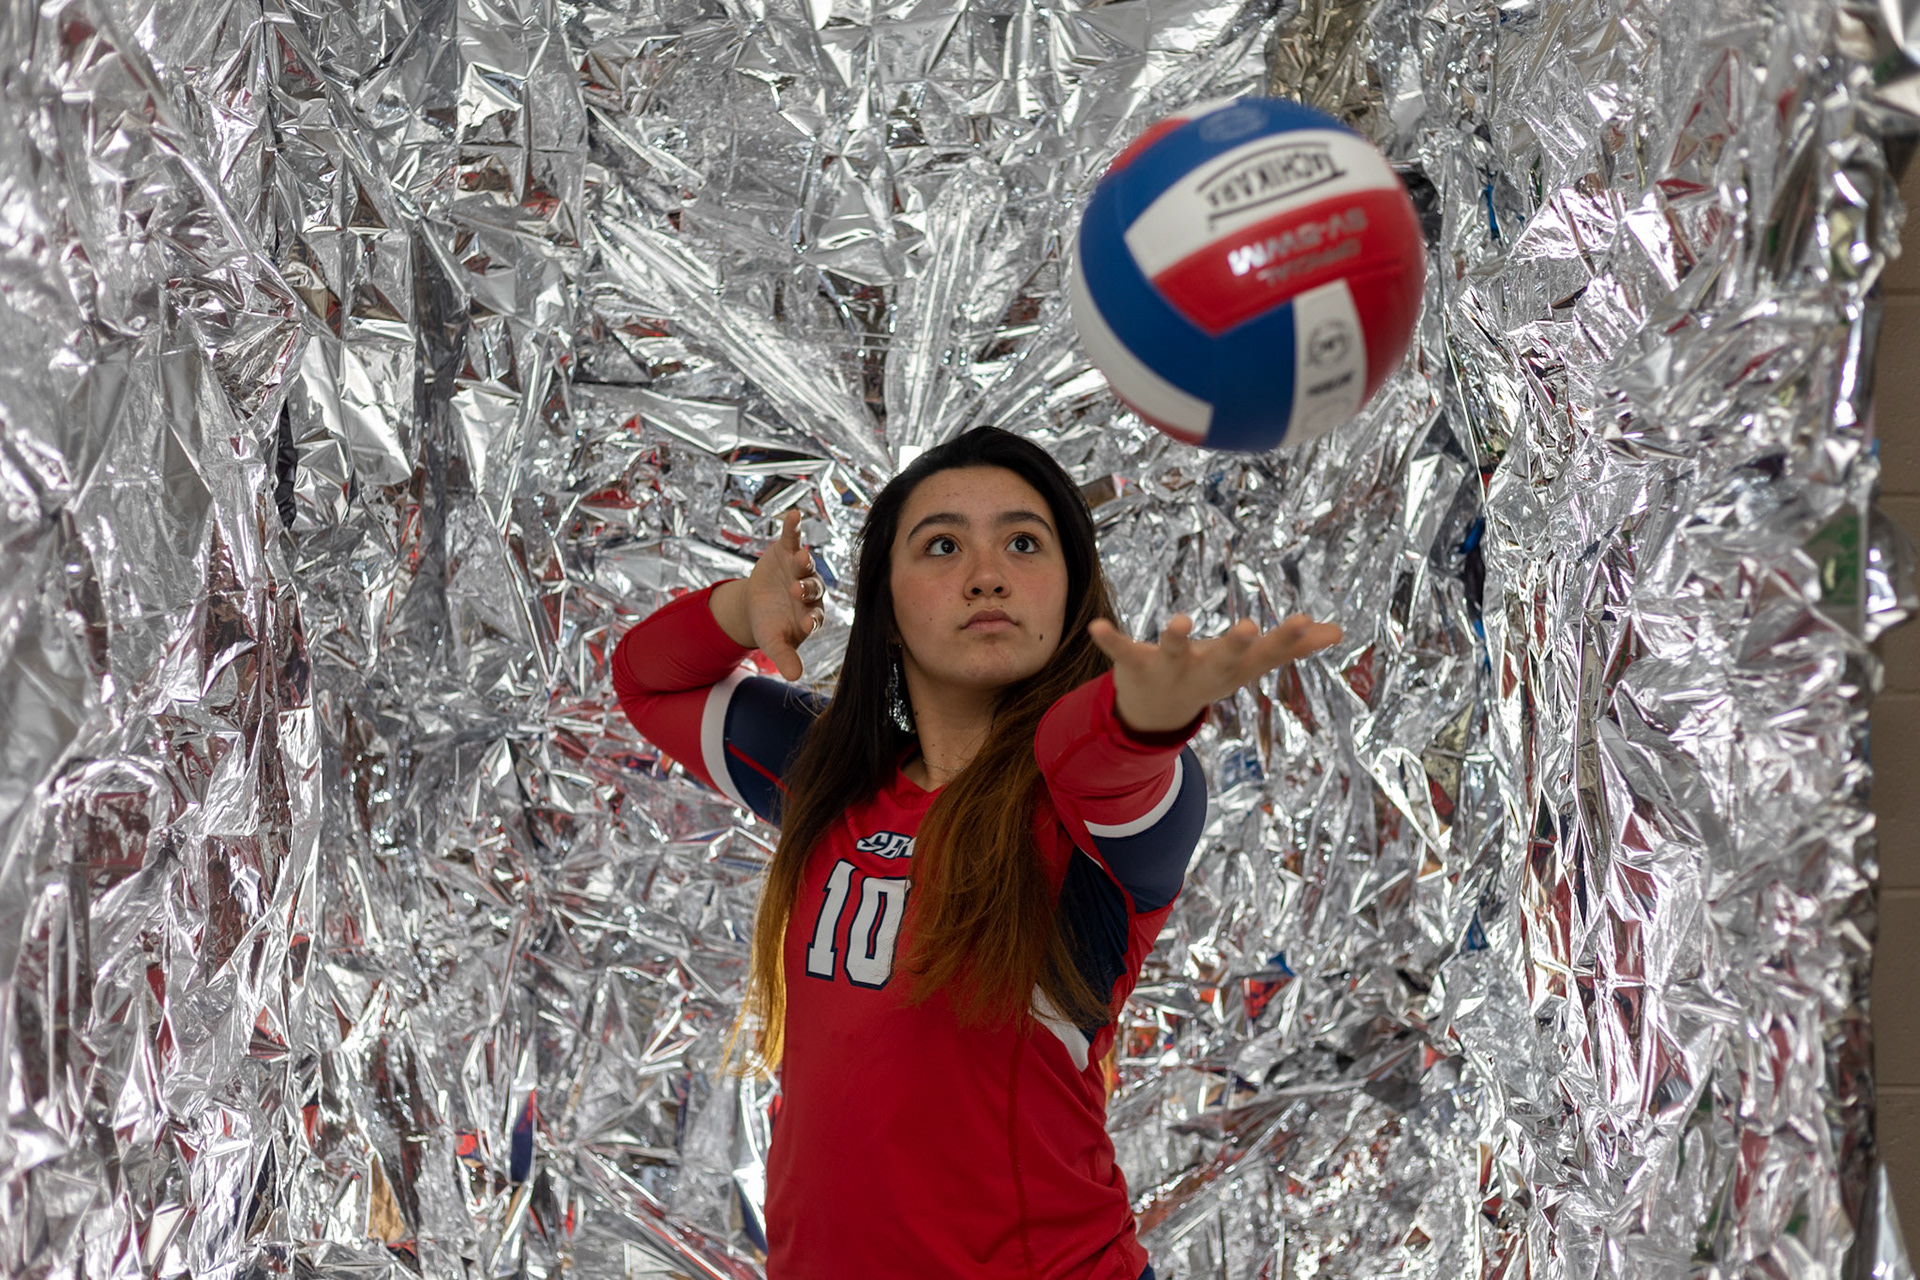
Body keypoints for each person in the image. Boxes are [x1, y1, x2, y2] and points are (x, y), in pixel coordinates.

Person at [611, 427, 1341, 1280]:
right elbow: (646, 680)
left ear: (1073, 598)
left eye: (1024, 542)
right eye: (943, 544)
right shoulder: (829, 779)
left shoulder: (1092, 813)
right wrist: (744, 606)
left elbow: (1089, 754)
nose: (986, 573)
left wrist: (1141, 718)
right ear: (886, 604)